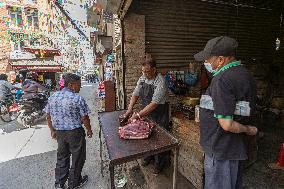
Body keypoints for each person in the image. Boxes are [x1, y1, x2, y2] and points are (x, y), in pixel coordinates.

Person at [194, 36, 258, 189]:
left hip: (221, 148)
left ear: (221, 60)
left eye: (208, 60)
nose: (206, 63)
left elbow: (226, 124)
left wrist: (249, 130)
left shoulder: (222, 80)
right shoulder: (244, 74)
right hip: (235, 147)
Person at [44, 73, 93, 189]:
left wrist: (52, 130)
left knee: (62, 157)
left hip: (60, 133)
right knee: (78, 158)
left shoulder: (53, 97)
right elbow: (85, 118)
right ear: (71, 85)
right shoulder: (77, 98)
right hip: (75, 133)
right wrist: (89, 130)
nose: (80, 87)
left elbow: (48, 116)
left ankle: (59, 184)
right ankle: (74, 184)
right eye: (79, 85)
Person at [123, 57, 170, 174]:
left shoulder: (161, 82)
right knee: (147, 137)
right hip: (147, 113)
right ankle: (149, 157)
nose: (144, 74)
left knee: (159, 140)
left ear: (154, 70)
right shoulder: (143, 78)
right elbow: (135, 94)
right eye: (143, 71)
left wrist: (138, 115)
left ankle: (160, 163)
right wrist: (130, 109)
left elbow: (154, 104)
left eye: (147, 71)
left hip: (159, 114)